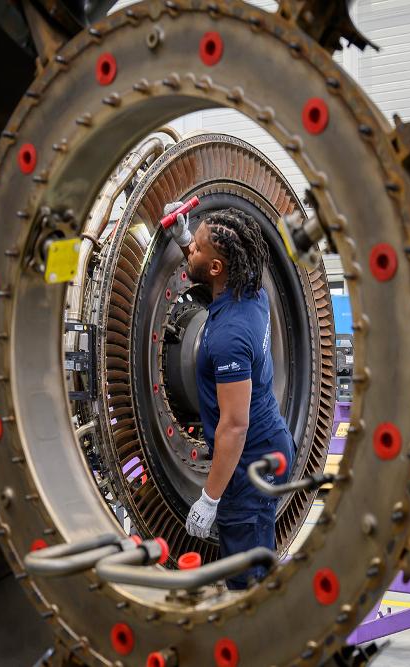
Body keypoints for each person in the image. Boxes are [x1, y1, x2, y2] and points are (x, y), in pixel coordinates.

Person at [163, 202, 295, 590]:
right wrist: (187, 238)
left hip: (251, 463)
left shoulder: (228, 339)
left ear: (217, 269)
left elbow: (234, 427)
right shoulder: (251, 289)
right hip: (270, 442)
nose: (192, 252)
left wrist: (209, 498)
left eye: (198, 249)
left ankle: (258, 643)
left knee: (246, 581)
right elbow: (209, 266)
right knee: (256, 561)